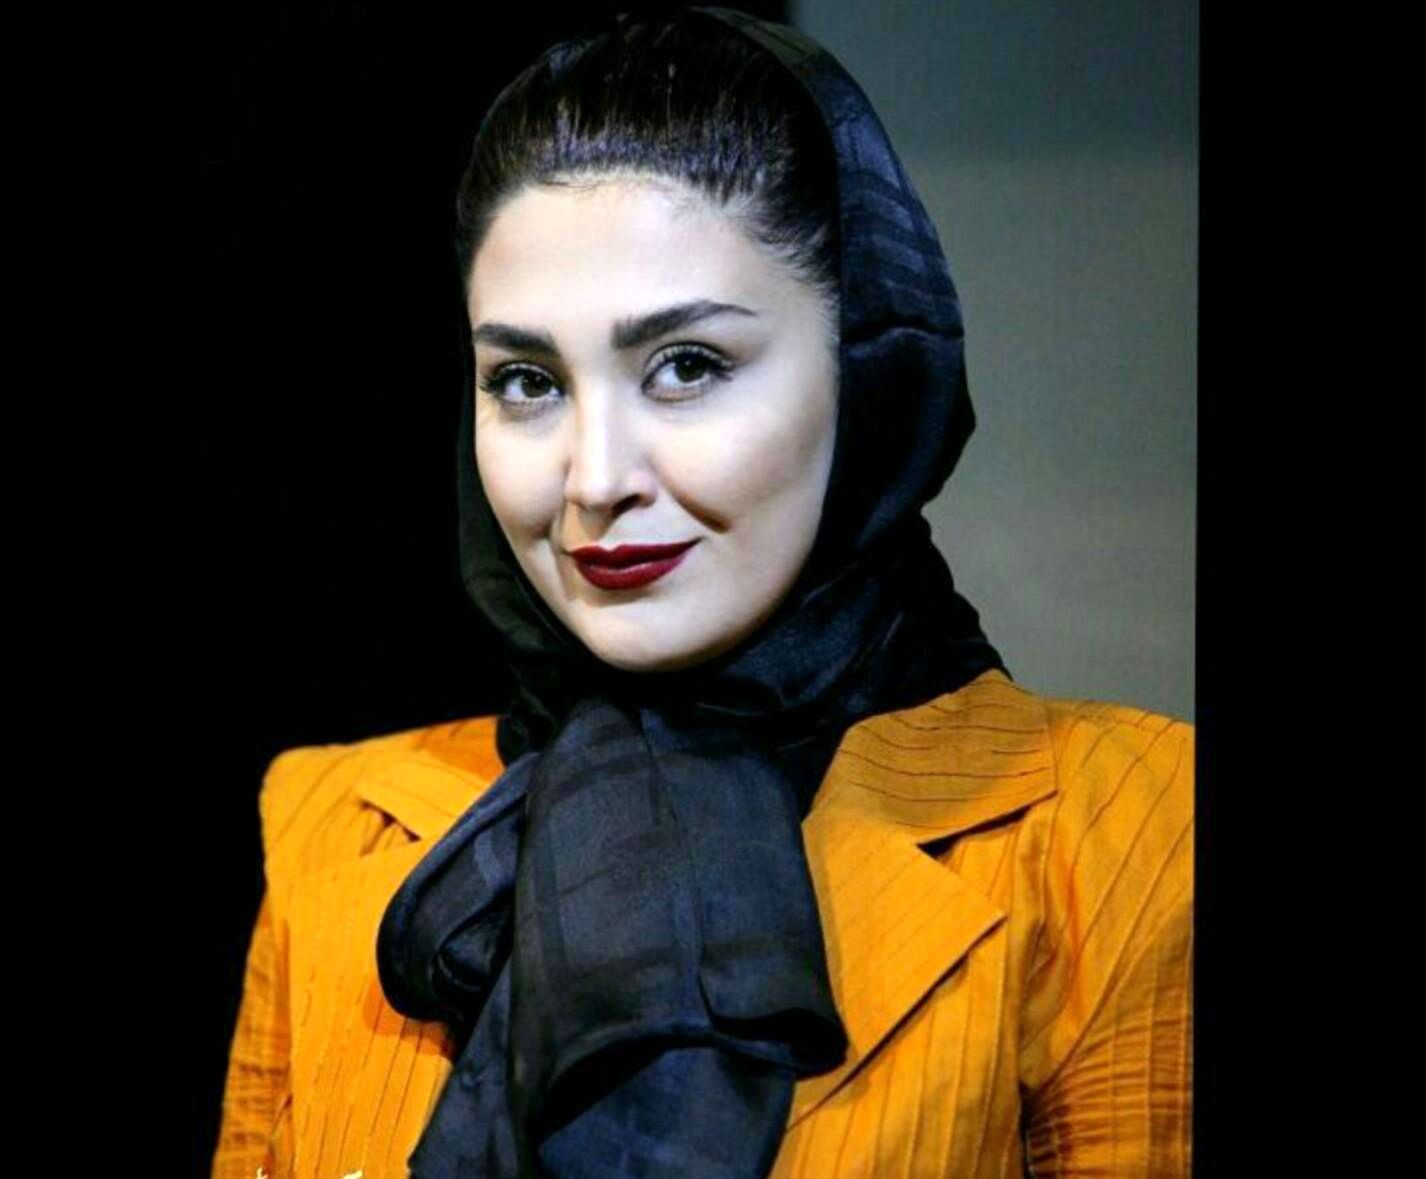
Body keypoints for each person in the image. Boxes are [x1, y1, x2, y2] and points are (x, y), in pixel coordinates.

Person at [211, 8, 1193, 1178]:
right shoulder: (332, 823)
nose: (595, 480)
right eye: (526, 381)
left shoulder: (1118, 832)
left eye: (687, 366)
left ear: (864, 367)